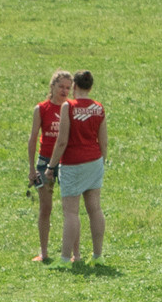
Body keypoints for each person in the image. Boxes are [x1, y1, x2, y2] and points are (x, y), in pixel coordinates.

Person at [51, 69, 107, 264]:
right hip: (95, 161)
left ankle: (66, 258)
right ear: (90, 87)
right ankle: (98, 256)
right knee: (95, 209)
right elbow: (104, 141)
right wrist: (102, 162)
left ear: (74, 86)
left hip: (73, 163)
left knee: (71, 213)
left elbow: (62, 141)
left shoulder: (69, 106)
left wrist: (51, 166)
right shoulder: (99, 108)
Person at [26, 68, 71, 261]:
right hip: (45, 161)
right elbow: (33, 138)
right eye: (60, 86)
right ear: (52, 86)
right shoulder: (42, 109)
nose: (64, 91)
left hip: (67, 160)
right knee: (45, 208)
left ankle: (72, 253)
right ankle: (43, 252)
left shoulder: (70, 107)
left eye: (68, 88)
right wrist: (31, 168)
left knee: (71, 209)